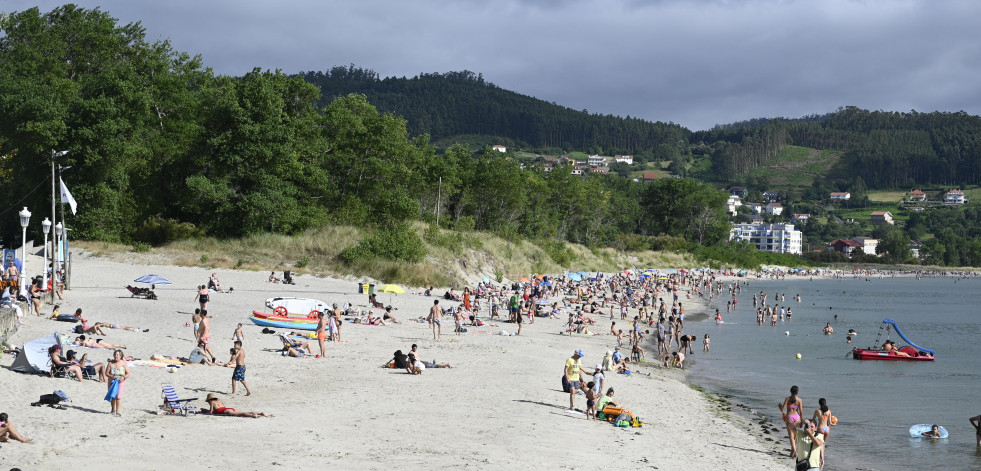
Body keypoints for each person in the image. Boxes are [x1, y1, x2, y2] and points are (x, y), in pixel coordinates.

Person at [779, 385, 804, 457]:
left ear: (790, 391)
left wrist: (780, 406)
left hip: (789, 417)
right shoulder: (799, 400)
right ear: (797, 392)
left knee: (791, 437)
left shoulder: (787, 398)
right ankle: (792, 453)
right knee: (795, 436)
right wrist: (801, 421)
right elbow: (801, 412)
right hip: (797, 417)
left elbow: (782, 409)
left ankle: (795, 452)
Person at [106, 349, 130, 416]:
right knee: (112, 395)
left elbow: (128, 373)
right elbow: (106, 373)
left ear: (120, 356)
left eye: (117, 355)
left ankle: (118, 411)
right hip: (112, 381)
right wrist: (112, 376)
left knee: (118, 396)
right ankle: (113, 409)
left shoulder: (124, 363)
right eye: (115, 354)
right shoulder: (110, 363)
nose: (116, 356)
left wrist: (124, 378)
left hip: (121, 381)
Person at [204, 393, 270, 418]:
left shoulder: (212, 402)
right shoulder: (219, 401)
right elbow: (219, 408)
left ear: (209, 400)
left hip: (226, 411)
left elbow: (211, 412)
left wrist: (205, 411)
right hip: (228, 408)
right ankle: (260, 413)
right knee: (242, 412)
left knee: (241, 414)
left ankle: (252, 415)